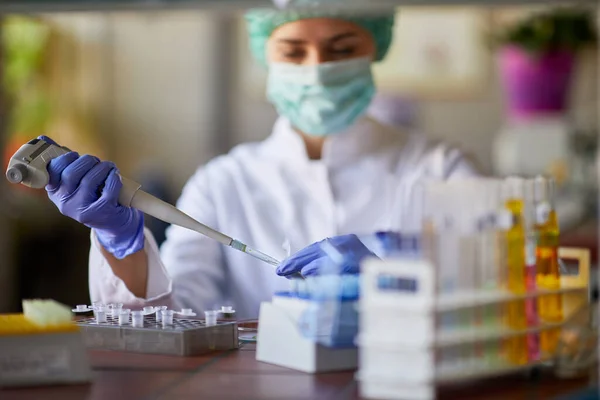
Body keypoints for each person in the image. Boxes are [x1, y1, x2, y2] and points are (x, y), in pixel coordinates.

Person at [42, 5, 479, 319]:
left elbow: (502, 289)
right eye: (293, 52)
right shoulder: (223, 182)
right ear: (266, 56)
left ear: (376, 49)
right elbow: (169, 320)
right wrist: (121, 244)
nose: (317, 69)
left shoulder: (443, 169)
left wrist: (392, 275)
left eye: (342, 50)